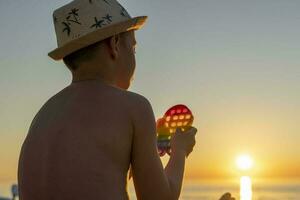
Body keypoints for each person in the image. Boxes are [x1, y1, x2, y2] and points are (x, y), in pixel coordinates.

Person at [18, 0, 233, 199]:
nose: (135, 55)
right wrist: (180, 151)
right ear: (115, 44)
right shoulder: (134, 108)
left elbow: (85, 175)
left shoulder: (43, 115)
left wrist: (142, 150)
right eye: (134, 48)